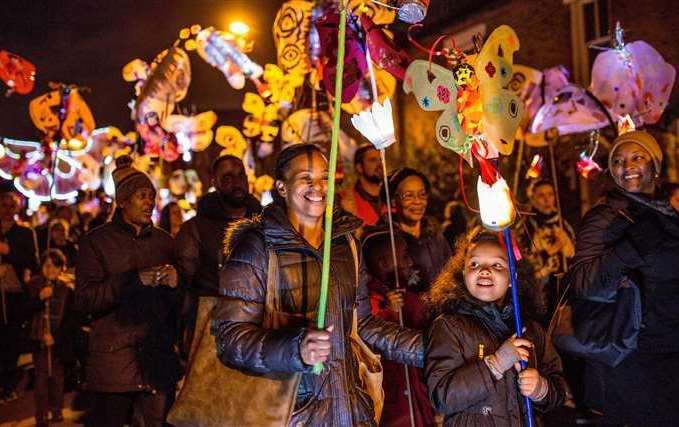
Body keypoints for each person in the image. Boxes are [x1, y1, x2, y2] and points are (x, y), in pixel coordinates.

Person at [213, 144, 423, 426]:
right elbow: (230, 340)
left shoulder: (346, 243)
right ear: (282, 187)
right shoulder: (257, 249)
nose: (318, 187)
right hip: (293, 414)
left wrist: (429, 349)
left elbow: (362, 325)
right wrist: (296, 349)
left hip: (351, 409)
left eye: (325, 177)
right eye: (306, 178)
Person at [569, 130, 679, 425]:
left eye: (637, 157)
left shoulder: (670, 216)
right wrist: (630, 248)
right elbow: (584, 283)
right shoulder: (603, 217)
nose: (626, 165)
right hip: (631, 360)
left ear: (655, 166)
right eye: (618, 160)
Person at [74, 156, 181, 427]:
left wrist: (176, 284)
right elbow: (85, 300)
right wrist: (132, 280)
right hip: (113, 361)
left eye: (152, 196)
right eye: (142, 195)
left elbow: (177, 308)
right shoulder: (96, 242)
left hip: (156, 361)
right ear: (122, 201)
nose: (149, 202)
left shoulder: (165, 242)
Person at [425, 230, 568, 426]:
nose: (484, 270)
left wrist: (541, 389)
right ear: (464, 273)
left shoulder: (531, 331)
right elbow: (441, 396)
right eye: (474, 264)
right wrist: (496, 364)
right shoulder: (449, 327)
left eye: (496, 265)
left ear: (512, 277)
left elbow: (559, 390)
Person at [174, 154, 260, 359]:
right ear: (215, 182)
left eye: (241, 175)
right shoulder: (196, 229)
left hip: (257, 327)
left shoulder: (264, 224)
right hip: (212, 329)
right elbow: (184, 282)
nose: (237, 182)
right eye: (228, 177)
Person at [362, 230, 435, 426]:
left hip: (419, 406)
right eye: (404, 256)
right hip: (391, 411)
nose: (410, 262)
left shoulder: (412, 300)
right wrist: (388, 312)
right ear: (383, 263)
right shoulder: (369, 304)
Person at [380, 168, 452, 293]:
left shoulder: (435, 235)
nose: (417, 201)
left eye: (422, 194)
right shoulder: (385, 240)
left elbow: (450, 271)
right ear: (393, 201)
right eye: (408, 196)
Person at [27, 249, 74, 427]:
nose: (51, 270)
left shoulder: (67, 290)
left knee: (56, 378)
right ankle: (41, 414)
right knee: (40, 381)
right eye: (47, 266)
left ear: (61, 268)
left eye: (55, 266)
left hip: (57, 343)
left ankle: (56, 410)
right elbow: (23, 311)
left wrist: (55, 337)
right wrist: (39, 298)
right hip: (38, 341)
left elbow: (70, 321)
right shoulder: (33, 285)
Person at [0, 192, 38, 403]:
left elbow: (32, 262)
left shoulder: (24, 233)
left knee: (11, 342)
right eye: (3, 205)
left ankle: (8, 384)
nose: (6, 209)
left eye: (10, 206)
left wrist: (9, 251)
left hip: (14, 296)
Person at [520, 179, 575, 322]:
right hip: (540, 287)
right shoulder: (526, 225)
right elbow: (524, 257)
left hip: (565, 285)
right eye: (541, 195)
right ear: (532, 198)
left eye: (550, 194)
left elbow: (574, 251)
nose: (547, 199)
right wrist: (552, 249)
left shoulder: (563, 222)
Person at [340, 145, 384, 227]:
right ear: (359, 167)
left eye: (381, 160)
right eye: (373, 160)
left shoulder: (391, 198)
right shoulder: (346, 199)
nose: (380, 164)